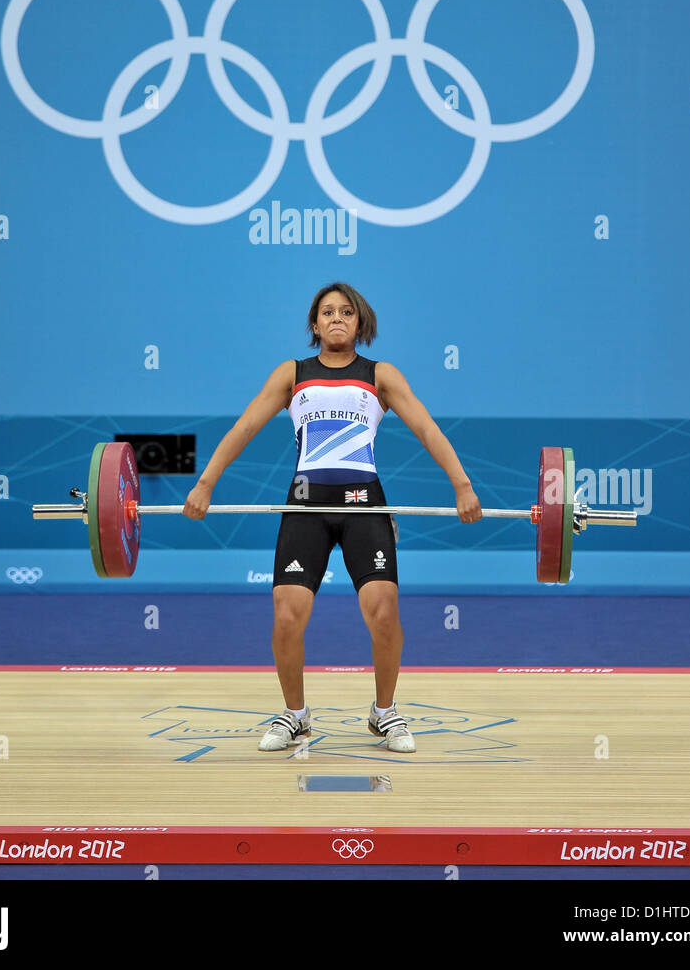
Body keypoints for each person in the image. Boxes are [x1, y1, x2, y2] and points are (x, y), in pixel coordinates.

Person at [183, 281, 481, 753]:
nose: (336, 318)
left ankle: (384, 713)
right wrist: (205, 483)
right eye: (327, 312)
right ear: (314, 323)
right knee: (287, 616)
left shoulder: (380, 375)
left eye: (346, 312)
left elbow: (425, 427)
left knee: (383, 612)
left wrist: (462, 485)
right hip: (306, 505)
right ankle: (296, 716)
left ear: (359, 322)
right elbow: (244, 427)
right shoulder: (293, 374)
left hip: (365, 505)